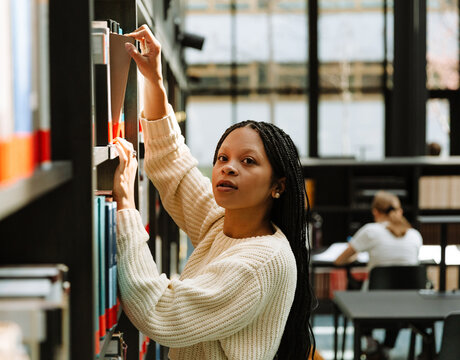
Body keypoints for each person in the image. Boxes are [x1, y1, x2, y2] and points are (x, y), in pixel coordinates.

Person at [111, 25, 315, 359]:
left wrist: (125, 207)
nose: (228, 167)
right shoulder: (222, 223)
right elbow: (174, 166)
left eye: (247, 161)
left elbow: (160, 312)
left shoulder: (260, 262)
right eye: (223, 158)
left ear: (278, 185)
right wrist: (154, 79)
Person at [334, 190, 423, 359]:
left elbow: (339, 260)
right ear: (400, 211)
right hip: (409, 306)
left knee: (360, 290)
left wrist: (354, 255)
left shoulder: (370, 231)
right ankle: (388, 347)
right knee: (398, 290)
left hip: (373, 305)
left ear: (375, 211)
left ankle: (370, 342)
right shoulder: (415, 235)